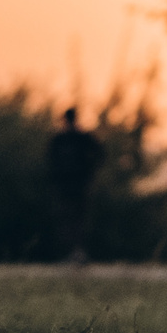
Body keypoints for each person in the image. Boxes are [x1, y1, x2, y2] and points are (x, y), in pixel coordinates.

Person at [46, 107, 105, 265]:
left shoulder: (68, 139)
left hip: (75, 186)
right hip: (72, 186)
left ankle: (76, 253)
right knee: (71, 220)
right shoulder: (68, 139)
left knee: (74, 220)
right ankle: (74, 253)